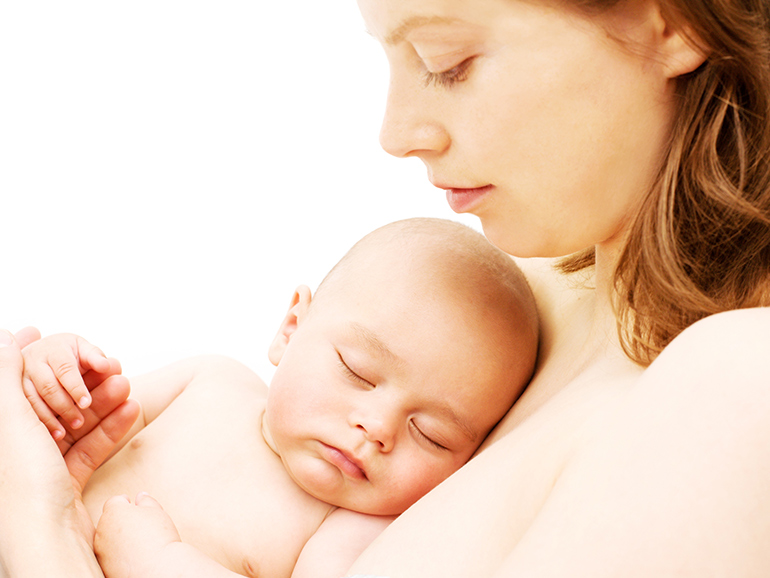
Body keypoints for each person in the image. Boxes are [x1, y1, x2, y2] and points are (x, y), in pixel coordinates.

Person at [2, 0, 770, 576]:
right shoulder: (509, 291)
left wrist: (37, 528)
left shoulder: (736, 385)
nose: (396, 132)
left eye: (449, 61)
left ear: (668, 20)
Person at [22, 218, 539, 578]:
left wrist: (163, 565)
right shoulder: (208, 381)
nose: (377, 427)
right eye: (357, 372)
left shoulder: (348, 530)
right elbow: (64, 429)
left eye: (432, 435)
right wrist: (50, 379)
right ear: (292, 328)